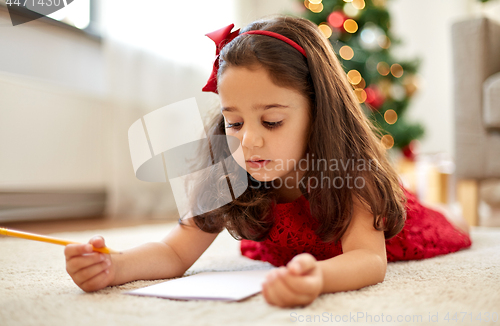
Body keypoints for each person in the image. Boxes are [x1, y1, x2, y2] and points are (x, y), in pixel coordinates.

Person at [64, 15, 472, 308]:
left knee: (452, 226)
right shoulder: (227, 169)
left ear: (318, 112)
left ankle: (455, 212)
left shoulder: (350, 176)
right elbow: (174, 253)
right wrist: (114, 267)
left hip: (391, 229)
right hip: (304, 253)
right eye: (234, 122)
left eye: (272, 121)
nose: (249, 140)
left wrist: (320, 278)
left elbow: (368, 259)